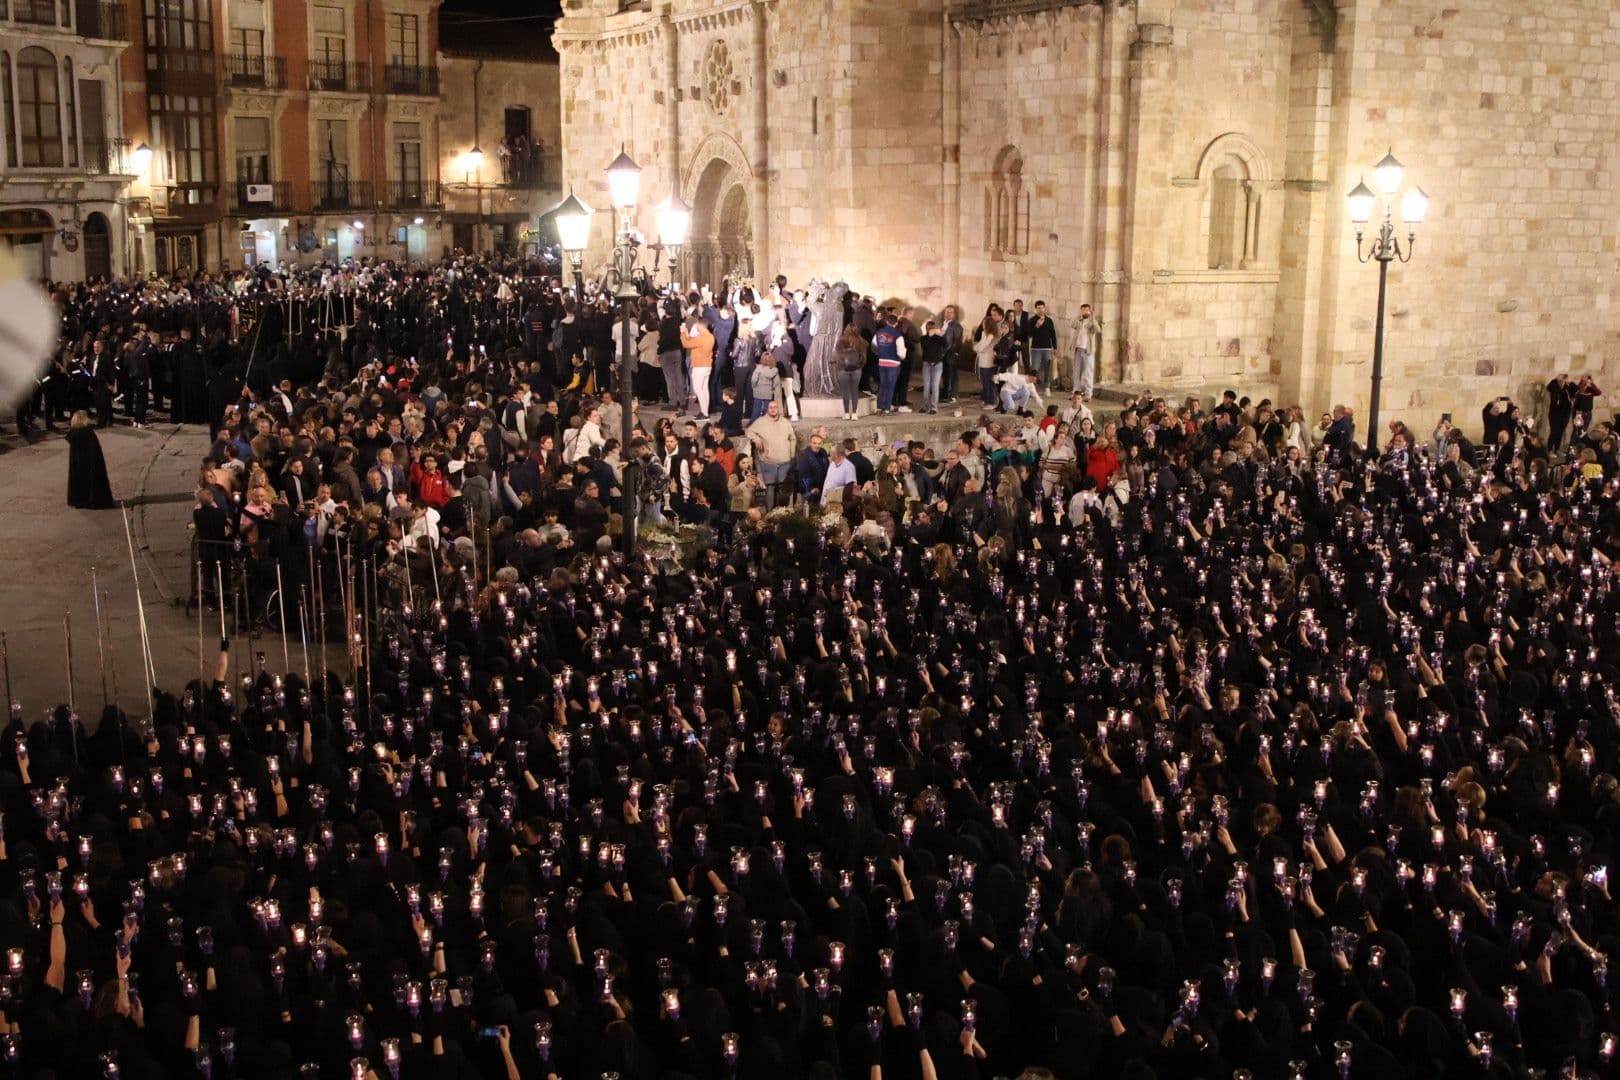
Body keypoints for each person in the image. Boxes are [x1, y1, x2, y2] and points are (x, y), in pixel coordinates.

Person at [65, 409, 115, 508]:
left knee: (78, 480)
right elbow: (95, 450)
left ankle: (79, 501)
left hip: (78, 464)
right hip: (90, 463)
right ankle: (93, 500)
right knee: (91, 479)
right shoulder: (88, 432)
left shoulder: (73, 433)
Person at [1071, 302, 1099, 398]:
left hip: (1088, 351)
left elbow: (1098, 330)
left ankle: (1088, 393)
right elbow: (1072, 324)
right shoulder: (1079, 320)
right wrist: (1079, 316)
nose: (1085, 312)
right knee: (1076, 372)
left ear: (1090, 311)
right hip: (1078, 349)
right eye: (1083, 310)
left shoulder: (1092, 322)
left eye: (1087, 310)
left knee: (1088, 372)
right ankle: (1076, 392)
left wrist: (1093, 318)